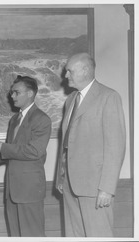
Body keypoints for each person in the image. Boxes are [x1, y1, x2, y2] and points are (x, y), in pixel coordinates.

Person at [55, 52, 126, 237]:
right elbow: (66, 143)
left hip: (95, 187)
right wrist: (61, 176)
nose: (66, 76)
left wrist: (107, 188)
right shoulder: (70, 100)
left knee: (99, 236)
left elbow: (115, 146)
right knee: (74, 235)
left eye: (69, 71)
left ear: (85, 70)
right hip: (69, 184)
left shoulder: (108, 97)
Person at [0, 75, 52, 237]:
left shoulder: (41, 119)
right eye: (12, 92)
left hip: (29, 190)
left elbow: (34, 151)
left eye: (16, 92)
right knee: (16, 236)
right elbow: (10, 153)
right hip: (12, 190)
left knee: (33, 235)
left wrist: (2, 147)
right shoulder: (14, 120)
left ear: (30, 93)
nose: (12, 96)